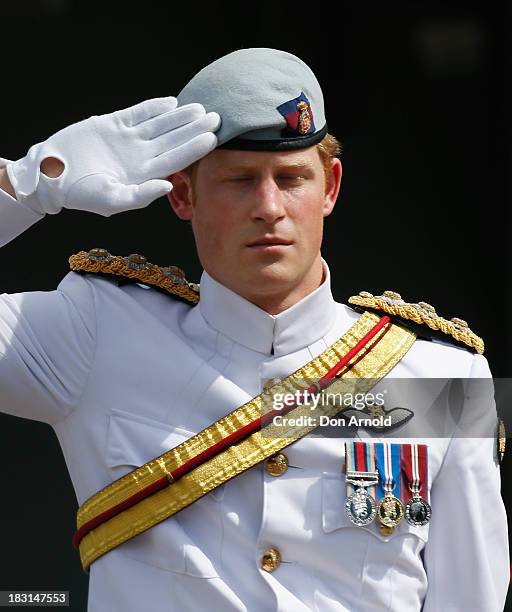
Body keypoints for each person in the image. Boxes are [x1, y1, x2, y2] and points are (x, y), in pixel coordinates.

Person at [0, 48, 508, 612]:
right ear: (183, 193)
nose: (269, 207)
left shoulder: (444, 376)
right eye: (240, 180)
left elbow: (472, 597)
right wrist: (30, 181)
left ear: (331, 187)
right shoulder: (93, 332)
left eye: (292, 178)